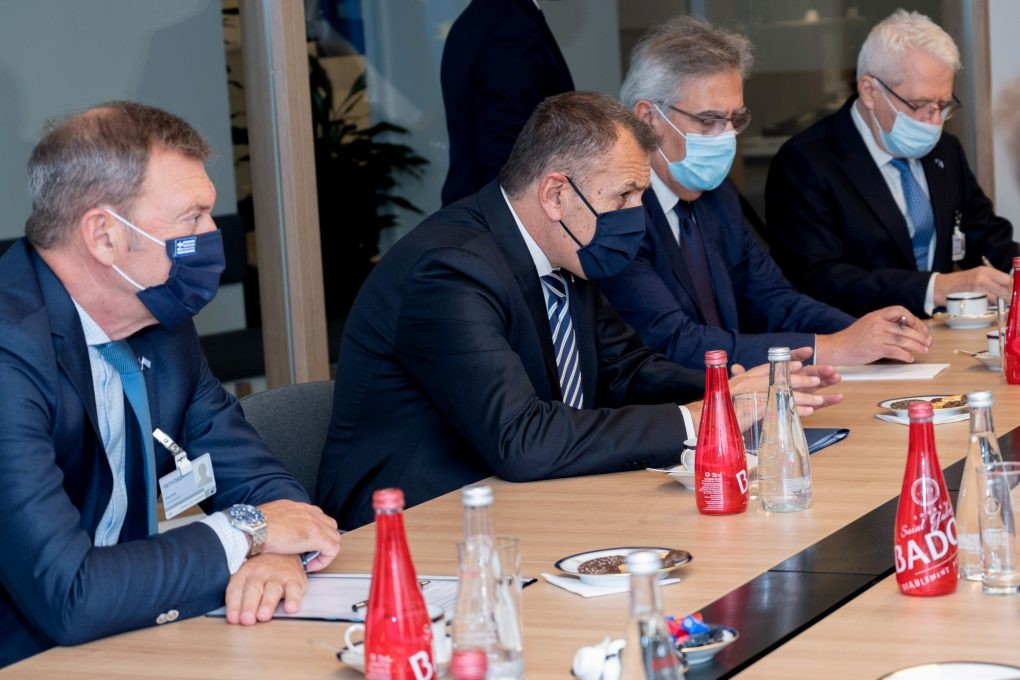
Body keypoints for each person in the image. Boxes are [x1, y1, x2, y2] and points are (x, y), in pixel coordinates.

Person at [318, 92, 841, 530]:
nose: (637, 217)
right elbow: (522, 440)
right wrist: (695, 418)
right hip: (413, 525)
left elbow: (626, 369)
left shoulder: (566, 246)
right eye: (625, 196)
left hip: (523, 502)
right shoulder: (449, 270)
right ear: (555, 194)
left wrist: (725, 393)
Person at [0, 102, 341, 667]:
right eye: (192, 217)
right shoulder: (10, 352)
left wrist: (275, 552)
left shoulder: (159, 322)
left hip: (131, 634)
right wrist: (249, 534)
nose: (211, 235)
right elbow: (70, 596)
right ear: (104, 236)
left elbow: (260, 483)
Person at [600, 17, 931, 370]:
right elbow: (675, 342)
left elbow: (773, 299)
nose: (726, 136)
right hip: (671, 401)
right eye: (709, 120)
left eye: (734, 120)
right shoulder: (616, 212)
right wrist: (832, 348)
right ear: (648, 118)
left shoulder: (718, 197)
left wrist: (865, 333)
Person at [765, 10, 1018, 318]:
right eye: (920, 105)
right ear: (870, 91)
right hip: (854, 337)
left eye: (942, 105)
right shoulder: (806, 162)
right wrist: (935, 288)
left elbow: (985, 234)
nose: (934, 121)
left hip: (941, 333)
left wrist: (1014, 270)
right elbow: (818, 278)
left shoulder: (945, 150)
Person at [440, 0, 574, 206]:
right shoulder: (509, 24)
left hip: (480, 206)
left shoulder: (489, 15)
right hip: (500, 212)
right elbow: (508, 145)